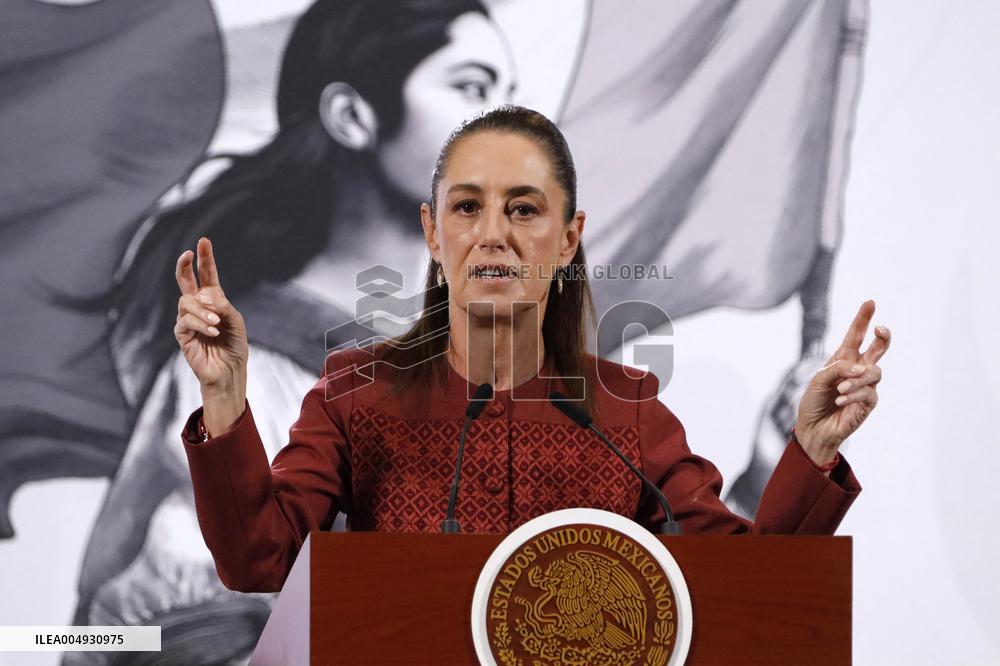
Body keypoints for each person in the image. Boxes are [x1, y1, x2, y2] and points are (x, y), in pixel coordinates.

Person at [174, 105, 890, 592]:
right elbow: (258, 559)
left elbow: (748, 589)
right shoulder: (354, 394)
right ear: (432, 233)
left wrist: (810, 452)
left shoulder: (626, 414)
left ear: (568, 236)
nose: (494, 234)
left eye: (523, 209)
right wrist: (226, 402)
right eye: (467, 207)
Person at [69, 0, 516, 661]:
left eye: (513, 97)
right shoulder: (254, 364)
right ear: (352, 116)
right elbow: (152, 636)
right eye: (473, 89)